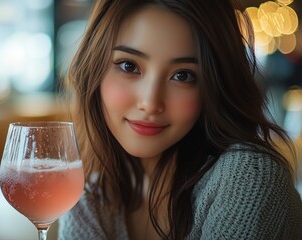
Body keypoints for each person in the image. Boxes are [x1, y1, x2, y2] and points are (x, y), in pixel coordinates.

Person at [58, 0, 302, 239]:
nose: (151, 103)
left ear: (213, 86)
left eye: (182, 75)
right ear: (93, 69)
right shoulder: (90, 191)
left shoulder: (248, 179)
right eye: (129, 66)